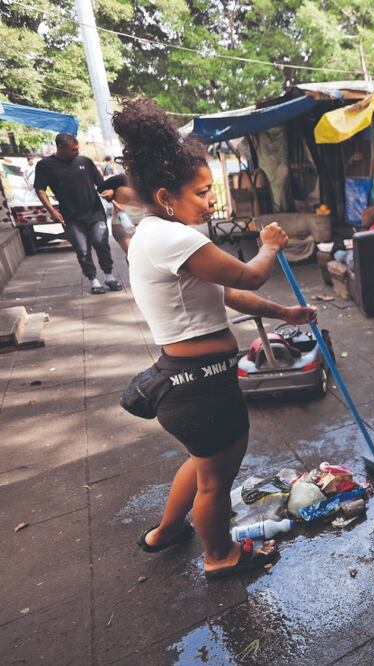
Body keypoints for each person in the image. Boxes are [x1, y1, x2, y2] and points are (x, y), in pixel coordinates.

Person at [112, 98, 317, 579]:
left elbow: (227, 294)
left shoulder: (154, 234)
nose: (211, 202)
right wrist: (268, 247)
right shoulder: (175, 239)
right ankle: (220, 555)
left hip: (187, 382)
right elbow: (249, 277)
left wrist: (284, 312)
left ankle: (165, 532)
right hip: (200, 387)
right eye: (203, 192)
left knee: (202, 466)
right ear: (166, 195)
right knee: (215, 481)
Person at [34, 134, 121, 294]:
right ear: (60, 148)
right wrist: (51, 210)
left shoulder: (84, 161)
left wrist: (110, 193)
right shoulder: (45, 165)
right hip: (71, 217)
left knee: (101, 243)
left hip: (95, 213)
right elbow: (40, 188)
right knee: (83, 250)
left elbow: (101, 184)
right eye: (73, 149)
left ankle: (109, 276)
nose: (77, 151)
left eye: (77, 148)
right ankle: (93, 280)